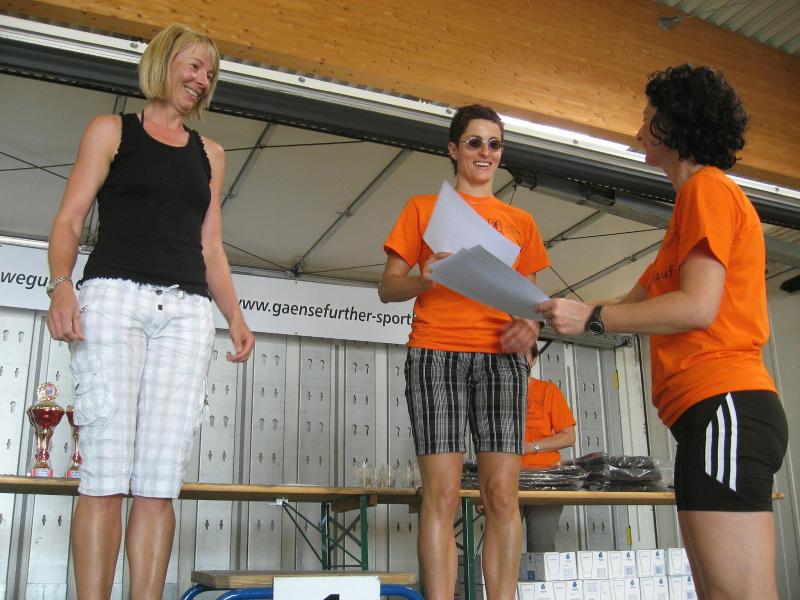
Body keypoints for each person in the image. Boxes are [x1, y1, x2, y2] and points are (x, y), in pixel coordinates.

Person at [537, 65, 788, 600]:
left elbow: (696, 308)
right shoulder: (684, 218)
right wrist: (541, 310)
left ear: (675, 125)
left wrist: (592, 318)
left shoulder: (707, 190)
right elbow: (630, 305)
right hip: (704, 416)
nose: (638, 132)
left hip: (725, 404)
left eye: (647, 119)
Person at [46, 24, 255, 600]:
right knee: (105, 474)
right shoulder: (111, 131)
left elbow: (211, 244)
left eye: (210, 73)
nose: (202, 80)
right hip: (113, 298)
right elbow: (68, 219)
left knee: (160, 481)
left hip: (187, 311)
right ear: (163, 63)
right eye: (193, 66)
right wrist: (61, 287)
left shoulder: (211, 154)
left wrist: (235, 315)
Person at [379, 104, 550, 600]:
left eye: (494, 144)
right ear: (453, 149)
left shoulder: (521, 221)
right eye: (474, 142)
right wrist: (423, 279)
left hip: (502, 362)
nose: (485, 152)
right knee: (443, 496)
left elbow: (531, 302)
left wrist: (529, 326)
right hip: (435, 354)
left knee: (502, 496)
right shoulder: (421, 209)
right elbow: (387, 287)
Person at [520, 344, 575, 552]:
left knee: (541, 545)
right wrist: (484, 487)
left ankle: (540, 576)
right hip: (507, 478)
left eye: (523, 355)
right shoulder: (496, 393)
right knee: (503, 547)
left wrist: (531, 447)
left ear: (533, 360)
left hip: (546, 479)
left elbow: (569, 437)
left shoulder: (548, 391)